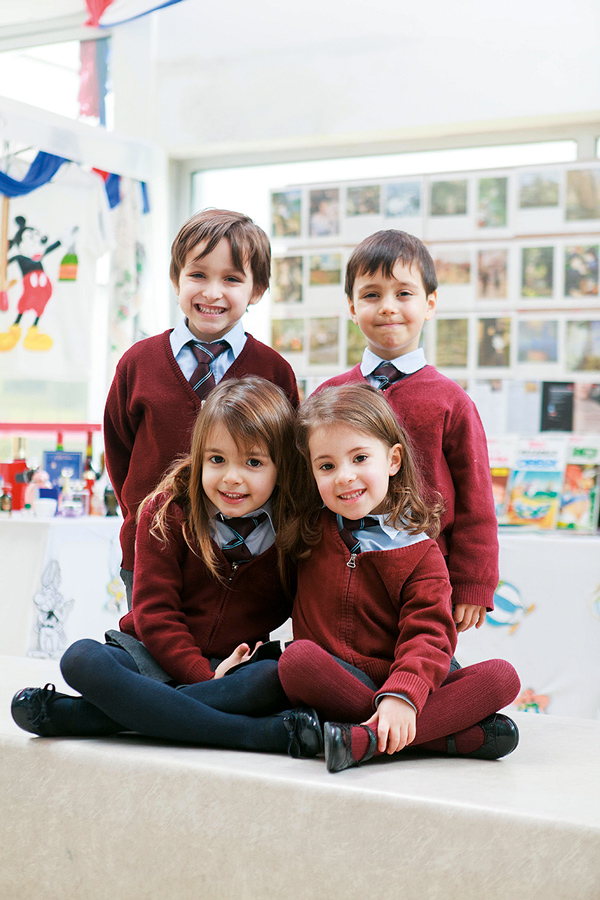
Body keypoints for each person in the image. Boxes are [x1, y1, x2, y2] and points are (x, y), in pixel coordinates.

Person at [11, 378, 321, 760]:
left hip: (234, 666)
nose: (232, 477)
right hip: (150, 654)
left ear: (282, 467)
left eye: (253, 463)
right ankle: (258, 734)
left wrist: (228, 672)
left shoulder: (297, 529)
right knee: (81, 659)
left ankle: (84, 716)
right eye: (217, 459)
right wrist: (204, 678)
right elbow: (155, 614)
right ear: (199, 456)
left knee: (274, 676)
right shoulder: (168, 511)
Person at [278, 384, 520, 772]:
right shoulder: (305, 532)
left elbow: (430, 634)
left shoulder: (419, 550)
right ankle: (442, 737)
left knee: (501, 677)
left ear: (393, 460)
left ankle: (362, 739)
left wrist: (402, 695)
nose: (344, 477)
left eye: (360, 458)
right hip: (336, 683)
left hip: (403, 677)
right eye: (326, 466)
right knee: (297, 660)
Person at [104, 209, 299, 608]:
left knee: (232, 646)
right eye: (198, 275)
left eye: (231, 279)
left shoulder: (274, 371)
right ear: (176, 279)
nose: (212, 293)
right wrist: (141, 516)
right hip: (149, 551)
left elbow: (288, 463)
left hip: (244, 558)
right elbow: (119, 451)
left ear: (257, 290)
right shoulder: (138, 363)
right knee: (153, 639)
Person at [318, 230, 498, 632]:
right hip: (340, 567)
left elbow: (477, 500)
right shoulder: (328, 397)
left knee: (422, 656)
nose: (388, 307)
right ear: (352, 307)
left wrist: (473, 581)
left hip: (426, 574)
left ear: (429, 303)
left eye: (403, 293)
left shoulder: (452, 401)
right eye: (371, 295)